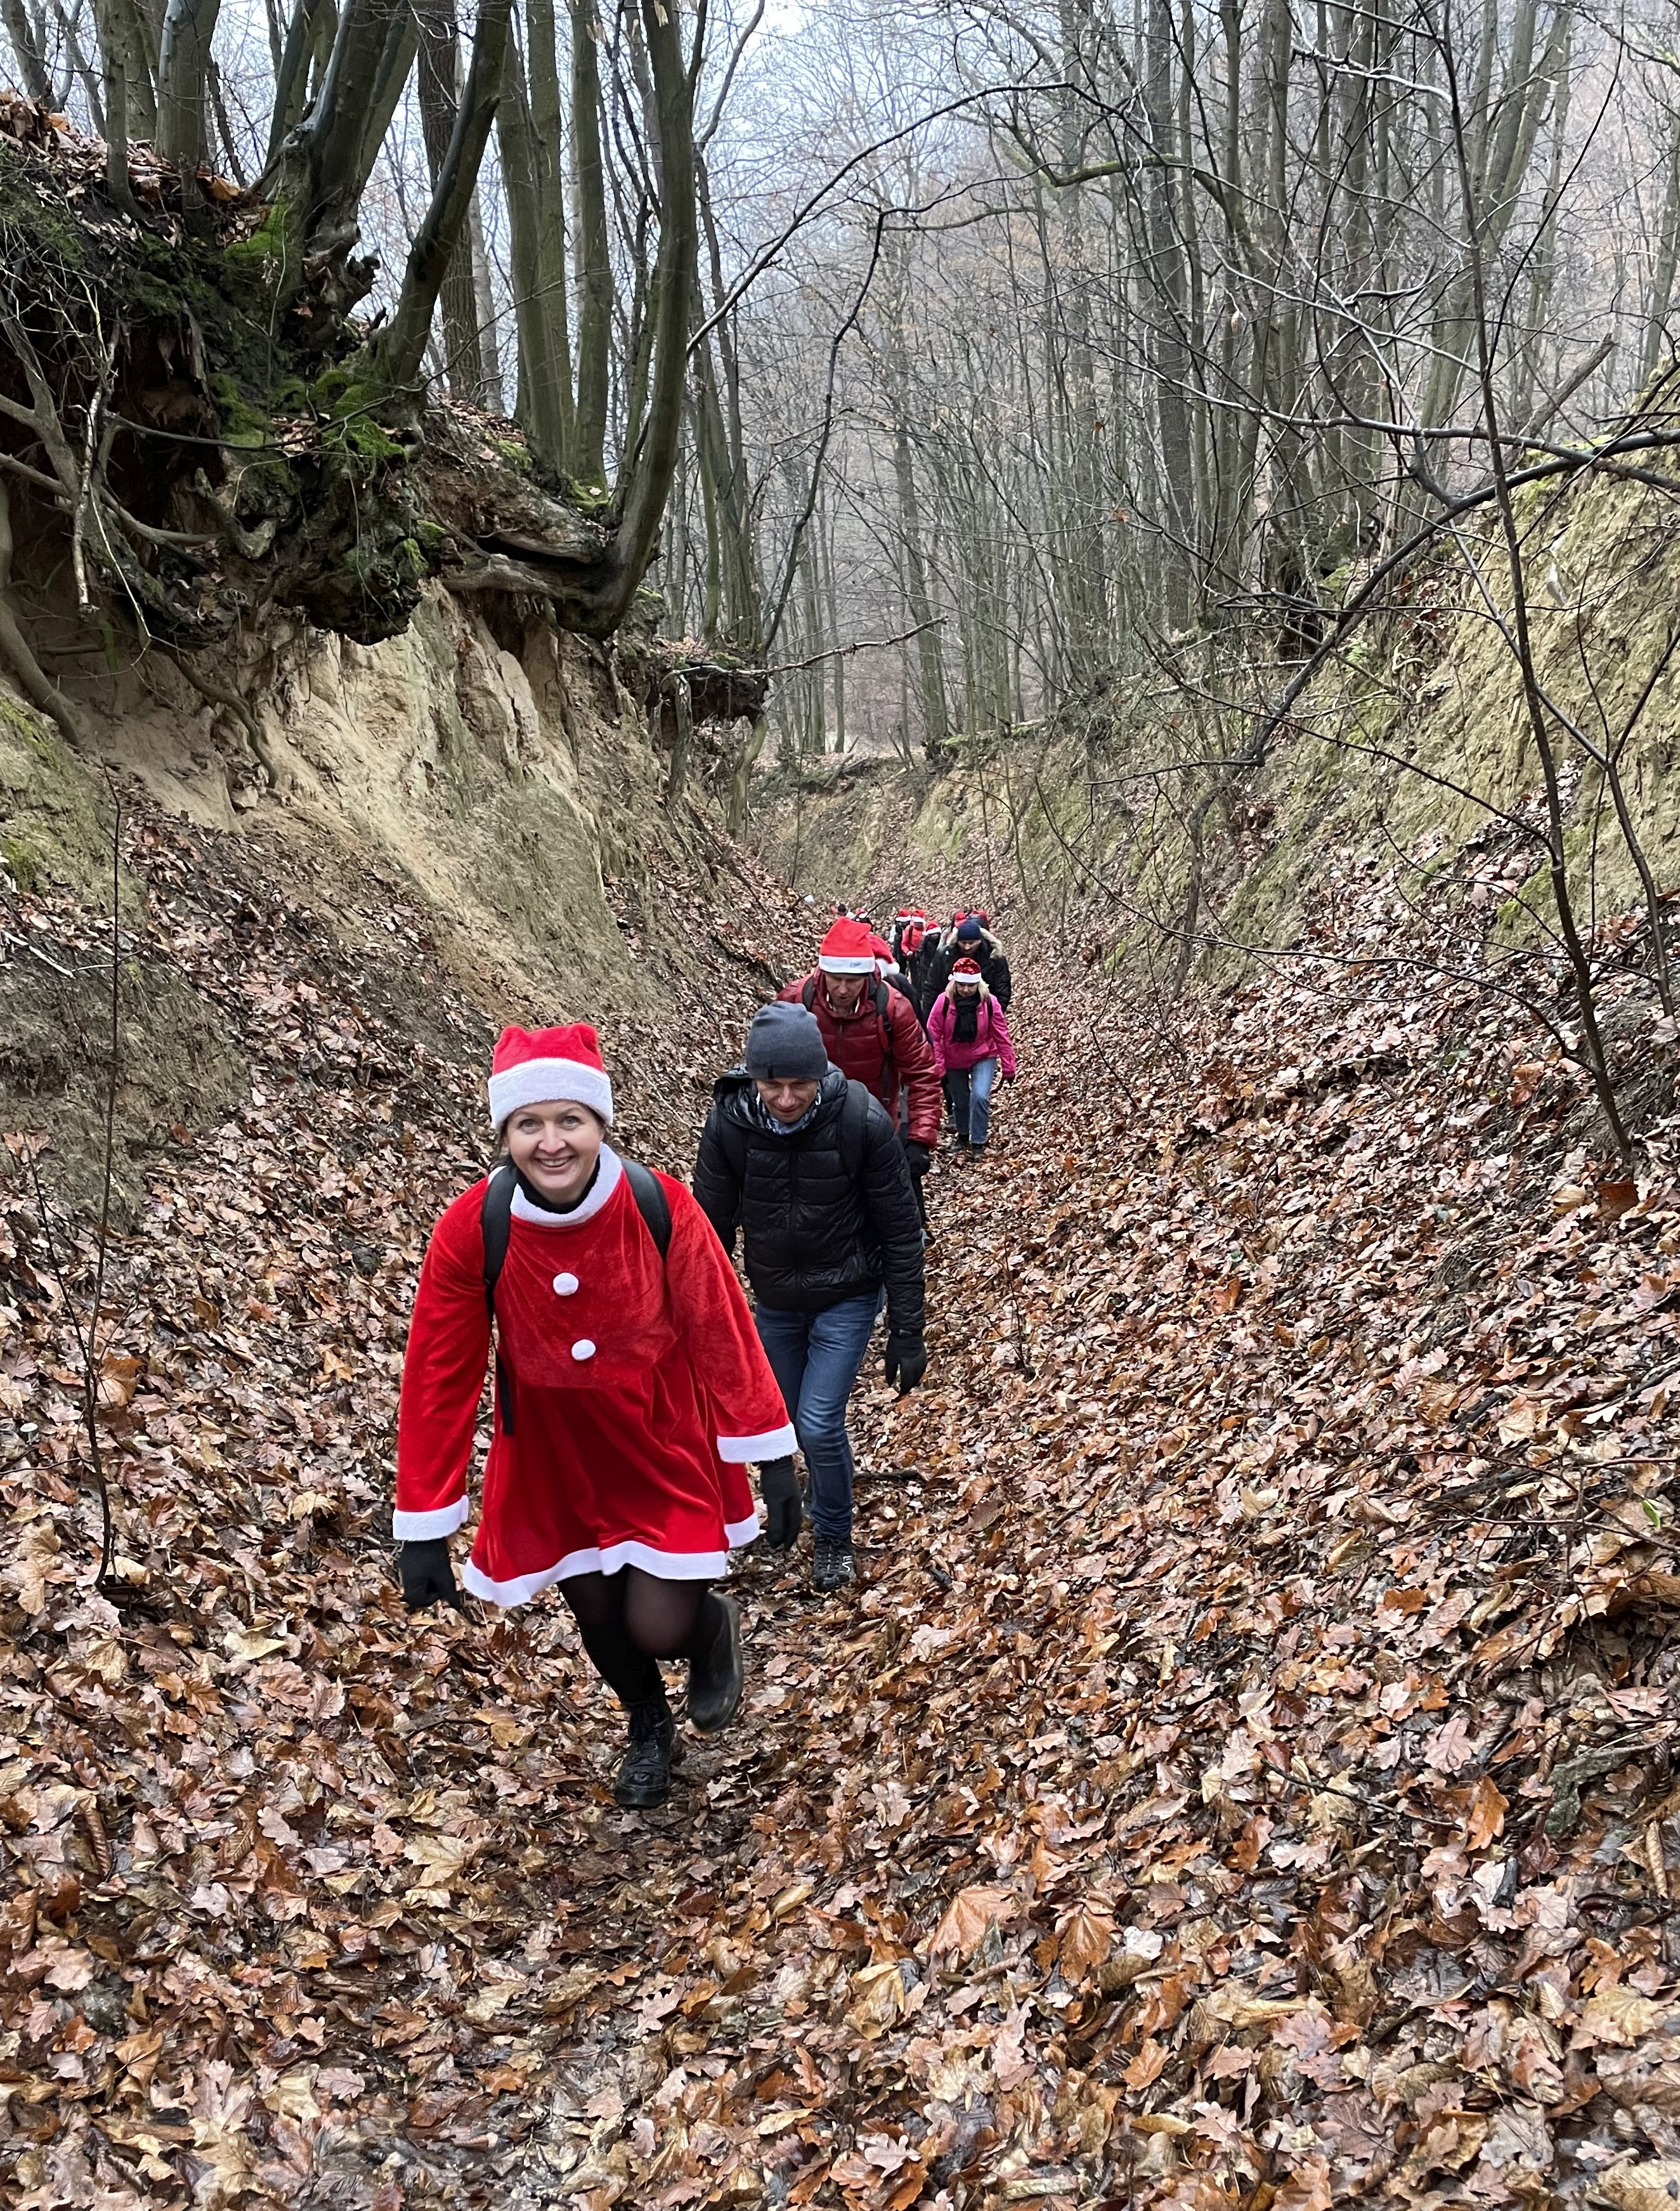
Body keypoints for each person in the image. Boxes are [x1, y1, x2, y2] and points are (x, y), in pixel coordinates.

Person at [393, 1023, 798, 1812]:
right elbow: (440, 1373)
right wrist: (425, 1523)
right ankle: (648, 1726)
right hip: (553, 1453)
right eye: (529, 1124)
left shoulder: (658, 1204)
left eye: (569, 1121)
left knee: (657, 1622)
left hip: (659, 1436)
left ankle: (709, 1629)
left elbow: (720, 1326)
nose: (551, 1143)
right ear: (505, 1133)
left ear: (600, 1124)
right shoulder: (474, 1226)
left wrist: (771, 1452)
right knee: (599, 1615)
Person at [694, 1002, 926, 1591]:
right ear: (753, 1078)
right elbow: (707, 1233)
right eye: (772, 1084)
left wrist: (906, 1331)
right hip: (775, 1297)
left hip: (848, 1292)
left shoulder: (860, 1120)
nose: (786, 1098)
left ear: (819, 1074)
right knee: (788, 1425)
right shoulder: (729, 1125)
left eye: (799, 1084)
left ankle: (833, 1537)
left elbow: (901, 1230)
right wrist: (698, 1323)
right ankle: (807, 1499)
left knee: (819, 1424)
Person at [779, 916, 941, 1185]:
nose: (843, 990)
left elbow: (922, 1074)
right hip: (808, 1129)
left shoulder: (893, 1008)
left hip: (875, 1130)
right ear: (823, 972)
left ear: (866, 975)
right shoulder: (797, 1000)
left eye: (852, 981)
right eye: (836, 979)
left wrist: (919, 1140)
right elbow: (769, 1066)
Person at [927, 956, 1017, 1155]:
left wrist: (1009, 1066)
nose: (966, 990)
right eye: (961, 985)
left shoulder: (990, 1003)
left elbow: (1001, 1035)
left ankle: (978, 1141)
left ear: (978, 984)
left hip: (983, 1054)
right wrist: (939, 1067)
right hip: (953, 1058)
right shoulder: (944, 1002)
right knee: (960, 1101)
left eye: (970, 986)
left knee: (980, 1097)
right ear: (954, 983)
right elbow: (934, 1035)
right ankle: (963, 1135)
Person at [929, 913, 1012, 1010]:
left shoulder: (994, 957)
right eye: (963, 943)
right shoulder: (945, 956)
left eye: (972, 943)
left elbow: (1003, 988)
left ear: (979, 941)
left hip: (984, 1010)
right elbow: (932, 987)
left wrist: (994, 1012)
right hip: (951, 1012)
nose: (967, 947)